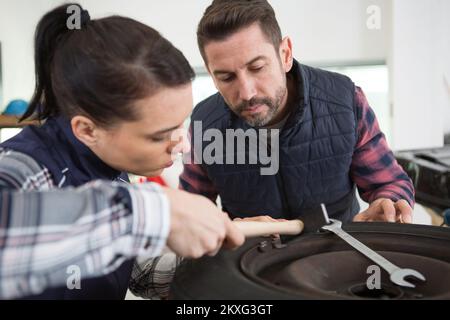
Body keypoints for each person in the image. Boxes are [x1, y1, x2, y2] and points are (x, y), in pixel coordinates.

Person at [0, 3, 244, 300]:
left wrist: (227, 249)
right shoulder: (21, 167)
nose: (184, 146)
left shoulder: (108, 164)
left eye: (180, 126)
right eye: (159, 136)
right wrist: (152, 210)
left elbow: (138, 272)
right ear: (88, 130)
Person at [180, 0, 415, 225]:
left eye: (257, 68)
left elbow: (389, 183)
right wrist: (229, 228)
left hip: (340, 257)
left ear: (285, 54)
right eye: (226, 77)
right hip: (248, 261)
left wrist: (389, 203)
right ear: (212, 76)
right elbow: (189, 214)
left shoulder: (345, 101)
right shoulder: (205, 124)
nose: (247, 93)